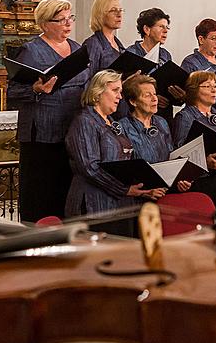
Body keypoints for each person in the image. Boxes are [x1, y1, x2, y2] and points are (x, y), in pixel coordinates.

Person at [6, 0, 88, 223]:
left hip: (73, 126)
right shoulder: (31, 50)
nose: (68, 24)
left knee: (67, 186)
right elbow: (11, 92)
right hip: (42, 132)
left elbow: (87, 81)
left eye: (70, 18)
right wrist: (36, 88)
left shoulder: (78, 49)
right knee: (42, 190)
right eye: (60, 20)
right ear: (44, 24)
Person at [65, 70, 166, 235]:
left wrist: (143, 186)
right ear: (97, 92)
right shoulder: (85, 121)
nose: (120, 96)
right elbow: (89, 167)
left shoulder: (112, 123)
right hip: (95, 204)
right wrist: (124, 189)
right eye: (115, 90)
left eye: (120, 91)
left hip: (119, 205)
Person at [172, 71, 216, 208]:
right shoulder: (185, 117)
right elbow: (179, 153)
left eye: (215, 86)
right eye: (207, 86)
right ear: (194, 90)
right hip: (200, 181)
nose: (214, 90)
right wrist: (205, 162)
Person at [119, 74, 191, 193]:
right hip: (141, 195)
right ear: (133, 101)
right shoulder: (122, 127)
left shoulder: (161, 122)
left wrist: (179, 180)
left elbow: (170, 158)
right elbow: (125, 170)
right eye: (147, 95)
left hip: (165, 191)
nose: (155, 99)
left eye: (154, 94)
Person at [127, 7, 185, 122]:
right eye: (161, 27)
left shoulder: (165, 55)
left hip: (163, 115)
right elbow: (128, 89)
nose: (165, 31)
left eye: (167, 27)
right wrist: (153, 97)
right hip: (140, 116)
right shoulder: (131, 53)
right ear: (147, 29)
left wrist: (178, 96)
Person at [83, 0, 128, 117]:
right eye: (113, 10)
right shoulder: (93, 44)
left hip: (121, 106)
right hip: (102, 110)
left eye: (120, 10)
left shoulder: (119, 44)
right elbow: (89, 81)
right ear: (100, 15)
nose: (119, 14)